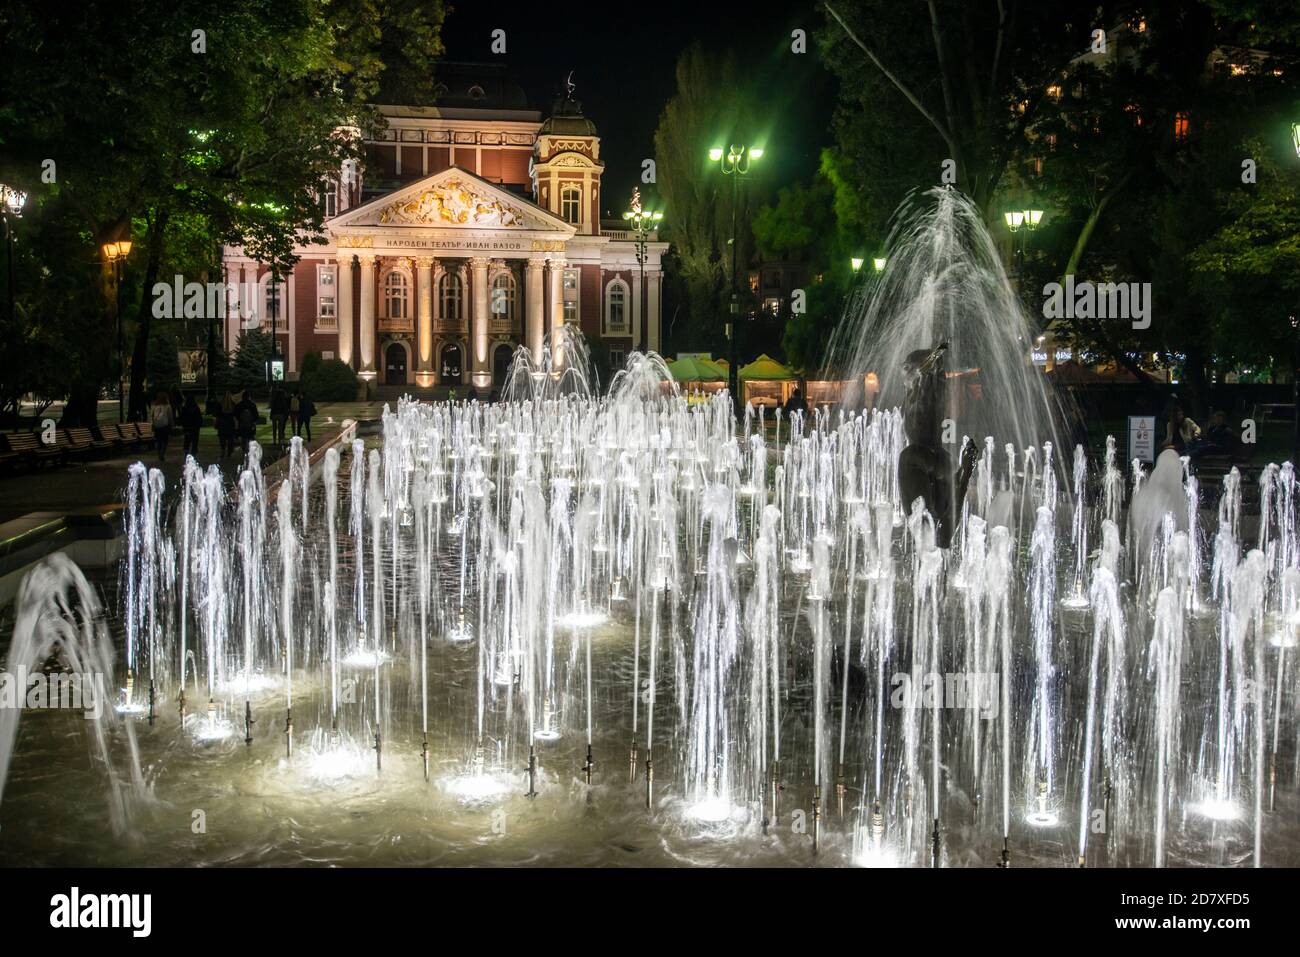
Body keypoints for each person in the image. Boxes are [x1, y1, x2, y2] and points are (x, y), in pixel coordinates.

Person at [234, 390, 260, 458]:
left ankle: (244, 452)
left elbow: (236, 415)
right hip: (250, 425)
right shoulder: (252, 404)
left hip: (242, 425)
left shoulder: (239, 405)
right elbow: (256, 416)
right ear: (249, 397)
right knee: (251, 438)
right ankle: (250, 452)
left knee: (243, 438)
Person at [150, 391, 174, 462]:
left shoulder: (154, 406)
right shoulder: (168, 406)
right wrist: (171, 425)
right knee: (165, 441)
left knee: (159, 441)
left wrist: (152, 424)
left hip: (156, 425)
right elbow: (170, 417)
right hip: (164, 425)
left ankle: (159, 454)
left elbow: (151, 416)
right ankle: (162, 454)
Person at [180, 393, 203, 458]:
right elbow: (199, 418)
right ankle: (194, 452)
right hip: (195, 427)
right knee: (195, 440)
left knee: (187, 439)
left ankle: (186, 452)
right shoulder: (196, 408)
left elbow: (182, 418)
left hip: (187, 427)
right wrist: (199, 424)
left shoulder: (184, 408)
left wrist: (183, 425)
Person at [217, 391, 237, 459]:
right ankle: (229, 452)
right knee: (230, 439)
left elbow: (217, 415)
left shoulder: (220, 404)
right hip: (230, 424)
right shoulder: (233, 404)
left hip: (222, 425)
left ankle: (223, 451)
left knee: (222, 439)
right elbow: (235, 415)